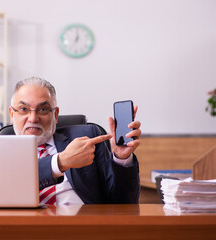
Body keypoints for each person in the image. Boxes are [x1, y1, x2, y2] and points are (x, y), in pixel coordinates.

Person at [8, 77, 141, 204]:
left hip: (83, 223)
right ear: (12, 114)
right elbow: (8, 185)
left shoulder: (87, 137)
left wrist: (121, 158)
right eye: (24, 109)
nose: (33, 118)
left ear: (55, 114)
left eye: (43, 109)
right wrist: (59, 163)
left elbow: (123, 203)